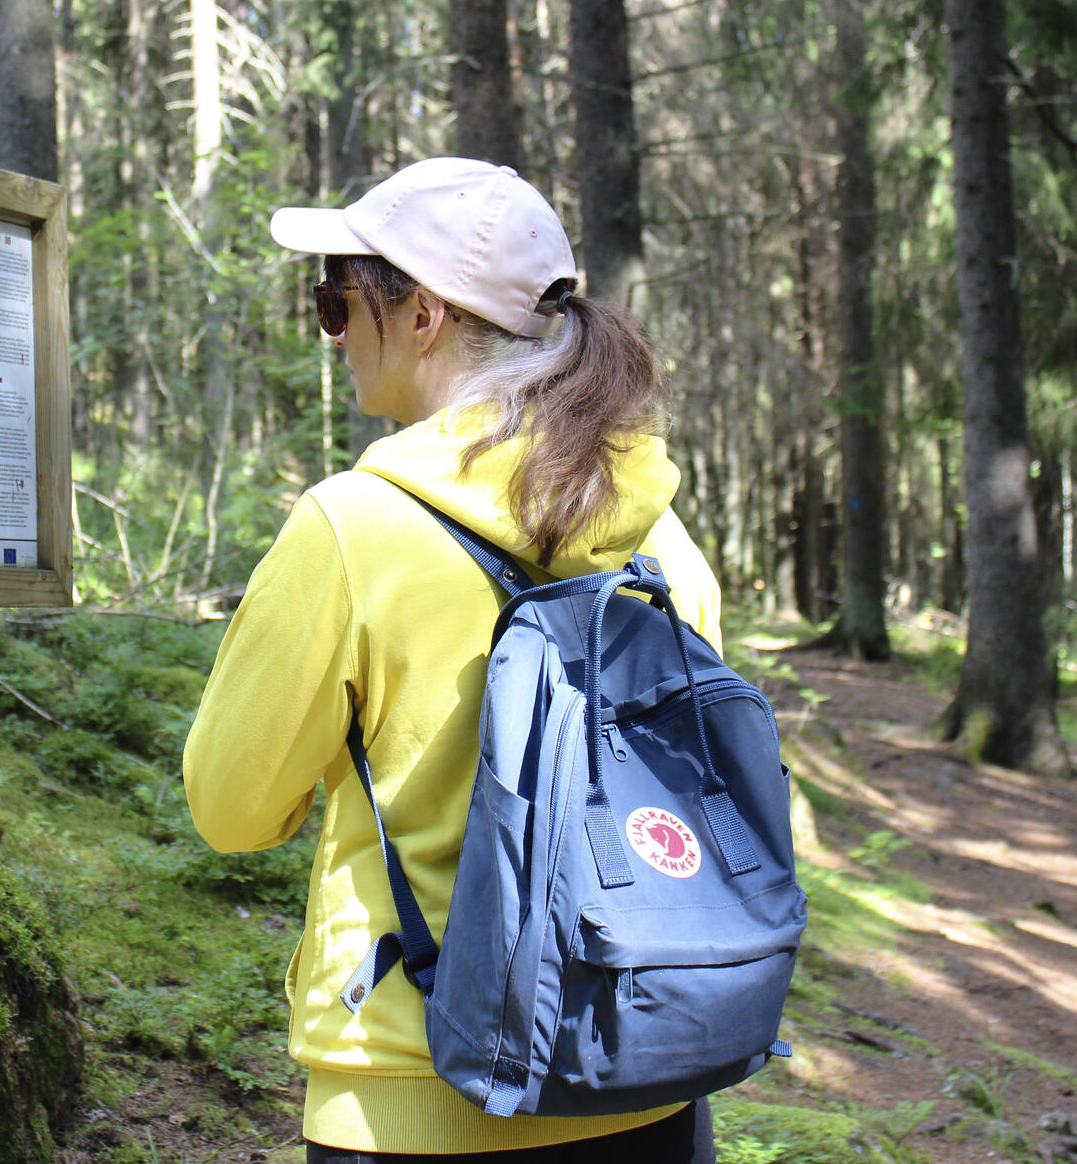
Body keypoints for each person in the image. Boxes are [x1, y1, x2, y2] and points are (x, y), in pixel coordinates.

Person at [183, 159, 723, 1162]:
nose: (334, 331)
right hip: (643, 1068)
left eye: (335, 299)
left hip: (415, 1084)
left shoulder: (353, 529)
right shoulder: (658, 532)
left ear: (421, 312)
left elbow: (231, 807)